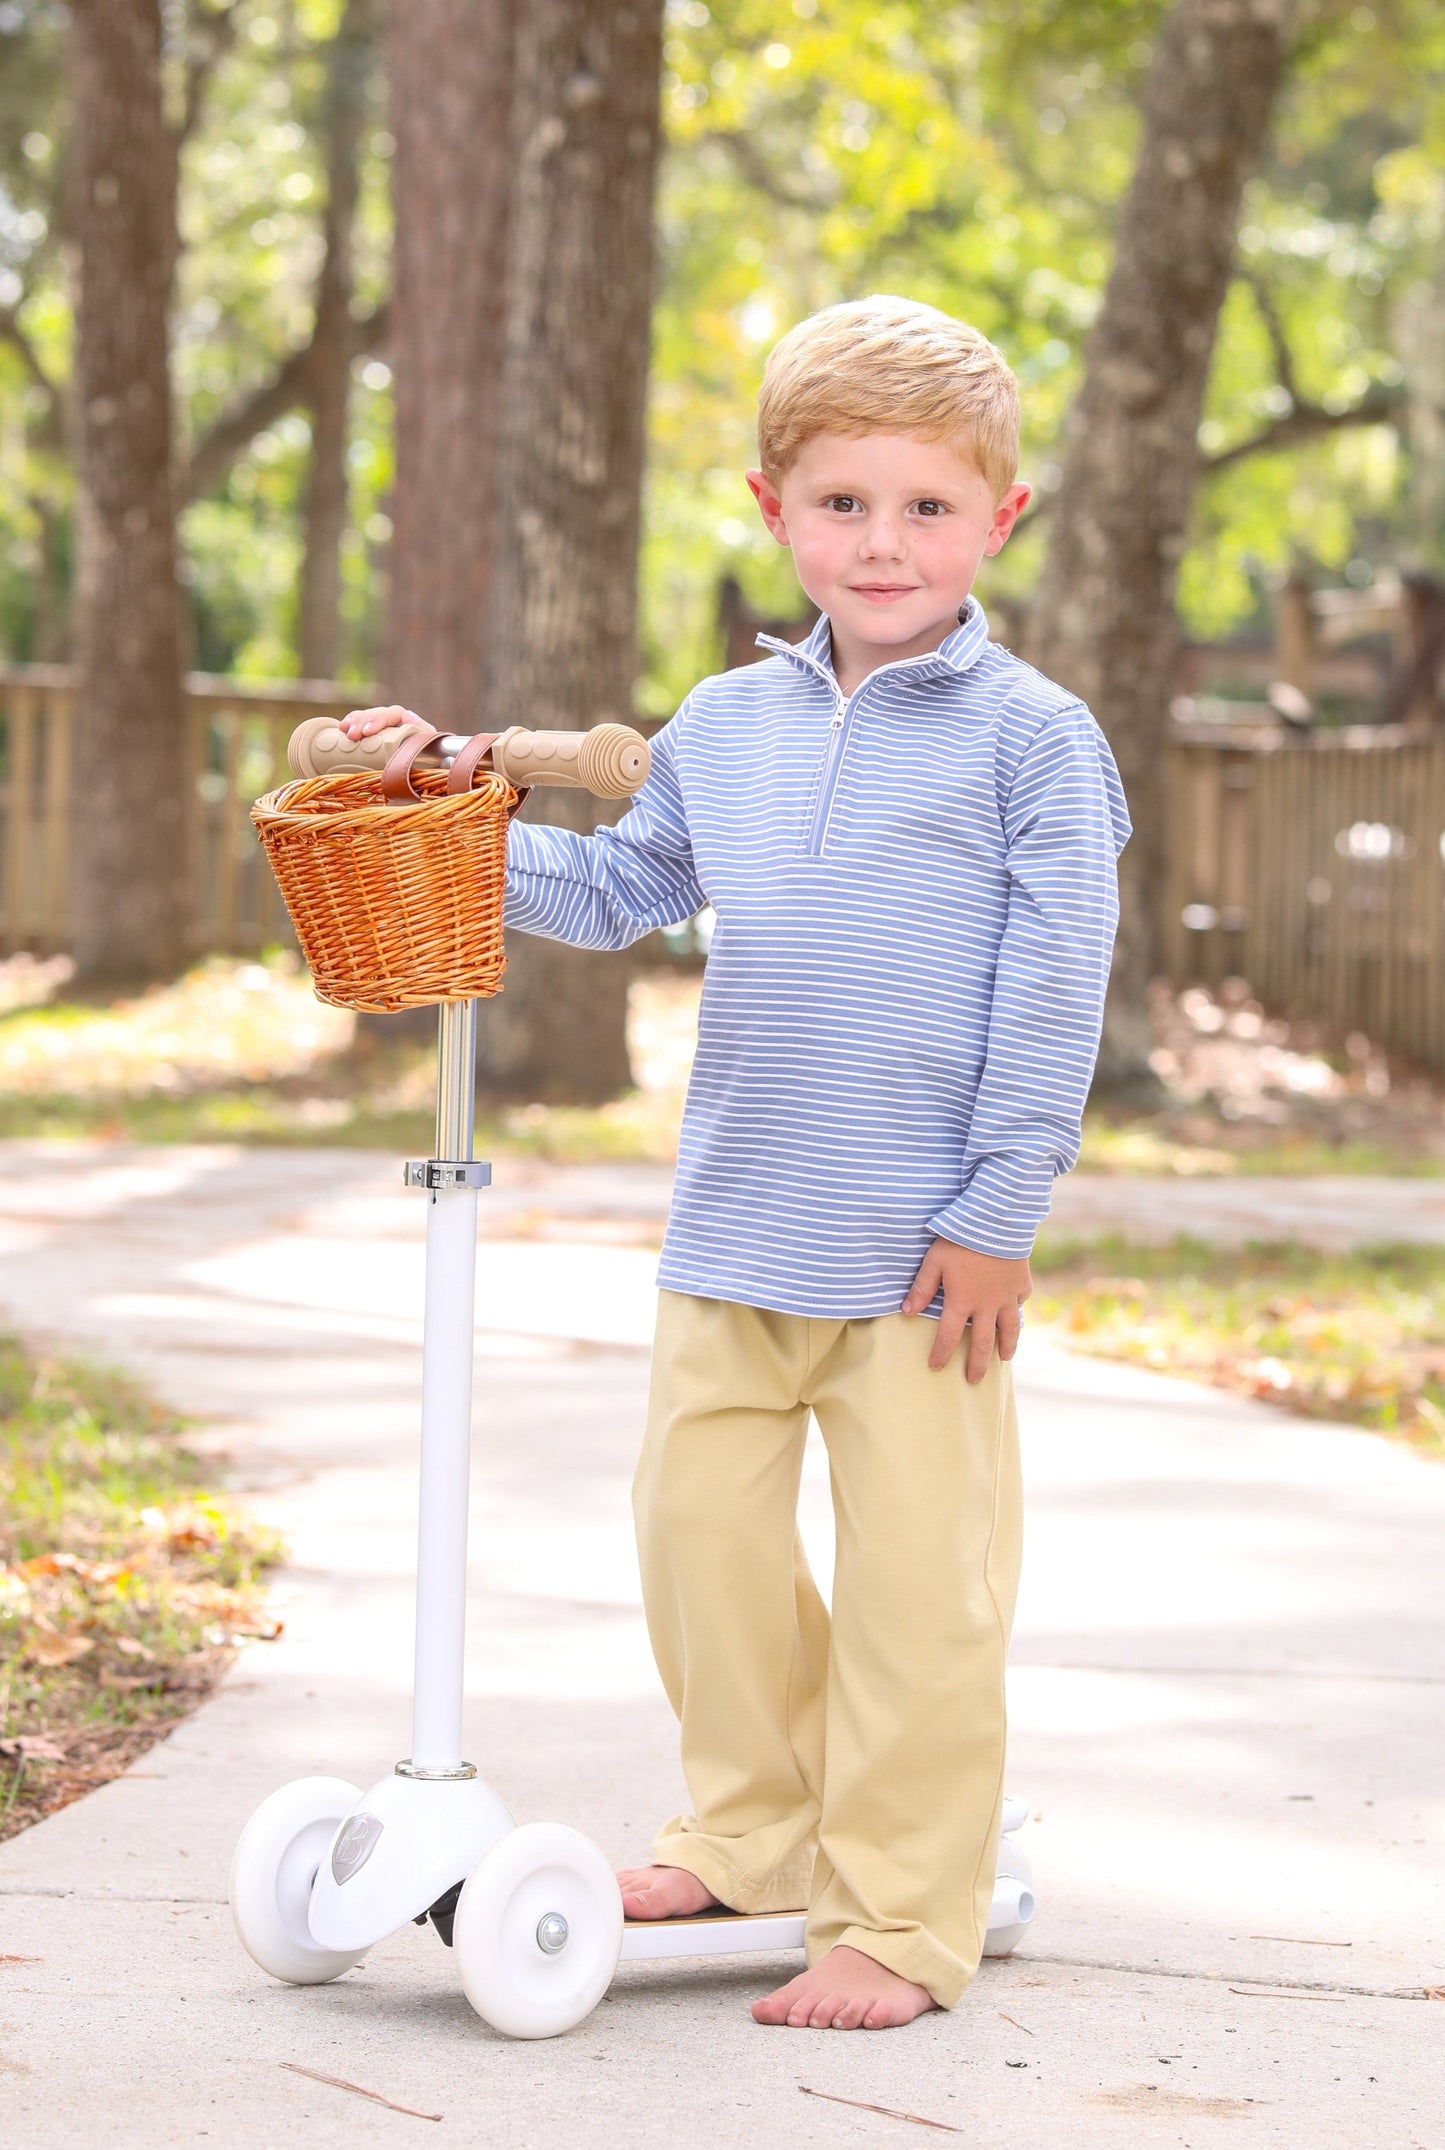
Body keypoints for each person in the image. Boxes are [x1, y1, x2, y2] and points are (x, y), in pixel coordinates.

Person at [341, 294, 1130, 2032]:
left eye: (927, 506)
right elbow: (623, 890)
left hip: (925, 1259)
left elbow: (1056, 988)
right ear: (772, 508)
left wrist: (998, 1216)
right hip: (735, 1224)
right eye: (843, 502)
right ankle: (756, 1832)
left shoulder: (1033, 740)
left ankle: (902, 1912)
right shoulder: (725, 721)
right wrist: (449, 830)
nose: (882, 542)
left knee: (920, 1596)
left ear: (999, 518)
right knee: (697, 1542)